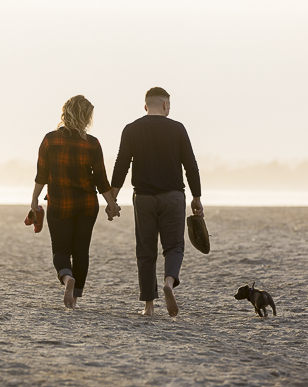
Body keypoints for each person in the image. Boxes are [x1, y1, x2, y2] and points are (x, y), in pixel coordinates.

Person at [109, 87, 203, 317]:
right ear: (165, 105)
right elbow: (190, 164)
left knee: (146, 251)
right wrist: (196, 197)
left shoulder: (131, 129)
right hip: (173, 197)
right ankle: (169, 283)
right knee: (174, 246)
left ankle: (148, 307)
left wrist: (112, 198)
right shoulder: (178, 128)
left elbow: (121, 164)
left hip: (143, 198)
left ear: (145, 106)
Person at [31, 95, 119, 309]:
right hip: (87, 205)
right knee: (81, 251)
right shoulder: (92, 143)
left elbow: (42, 175)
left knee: (60, 250)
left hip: (60, 204)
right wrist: (112, 204)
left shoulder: (50, 139)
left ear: (65, 113)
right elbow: (101, 179)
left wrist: (34, 199)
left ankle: (66, 278)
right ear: (87, 117)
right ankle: (75, 299)